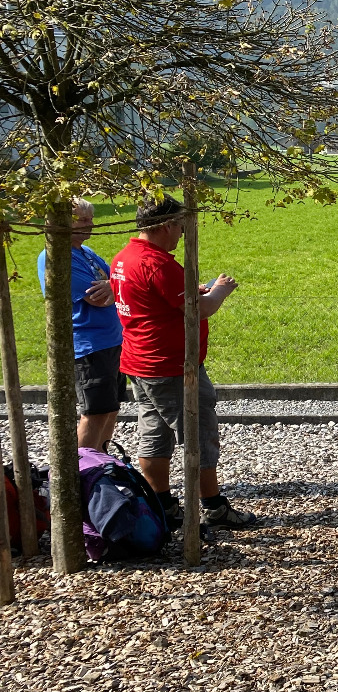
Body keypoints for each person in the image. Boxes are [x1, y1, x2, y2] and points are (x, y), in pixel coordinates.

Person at [111, 196, 256, 528]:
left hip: (140, 362)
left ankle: (162, 506)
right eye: (180, 226)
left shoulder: (124, 257)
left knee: (154, 434)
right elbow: (199, 310)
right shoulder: (156, 264)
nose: (181, 233)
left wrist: (193, 290)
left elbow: (163, 299)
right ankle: (214, 507)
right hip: (171, 366)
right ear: (165, 226)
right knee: (198, 433)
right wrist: (220, 290)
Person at [37, 197, 125, 451]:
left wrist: (114, 287)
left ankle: (102, 461)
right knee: (95, 412)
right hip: (89, 345)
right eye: (83, 220)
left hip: (111, 340)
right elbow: (97, 298)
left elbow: (118, 282)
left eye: (91, 219)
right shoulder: (57, 255)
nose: (91, 224)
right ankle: (84, 468)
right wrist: (115, 288)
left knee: (110, 408)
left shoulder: (86, 253)